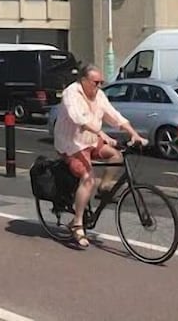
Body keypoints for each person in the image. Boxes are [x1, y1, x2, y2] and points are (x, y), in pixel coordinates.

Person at [52, 63, 147, 248]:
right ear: (83, 80)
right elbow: (78, 119)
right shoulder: (71, 93)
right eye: (96, 82)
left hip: (91, 140)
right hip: (71, 144)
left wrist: (134, 134)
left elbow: (114, 116)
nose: (99, 86)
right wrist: (102, 134)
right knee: (88, 179)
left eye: (101, 82)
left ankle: (104, 187)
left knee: (116, 156)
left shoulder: (99, 95)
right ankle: (77, 223)